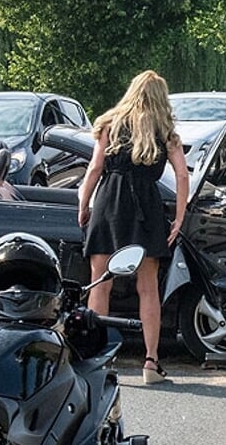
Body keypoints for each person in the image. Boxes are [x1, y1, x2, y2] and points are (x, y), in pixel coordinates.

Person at [77, 70, 189, 385]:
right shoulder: (166, 132)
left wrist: (83, 204)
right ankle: (150, 363)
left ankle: (96, 359)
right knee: (147, 287)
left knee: (100, 284)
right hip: (146, 209)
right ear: (159, 97)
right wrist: (179, 217)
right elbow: (182, 175)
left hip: (109, 205)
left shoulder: (110, 125)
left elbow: (95, 168)